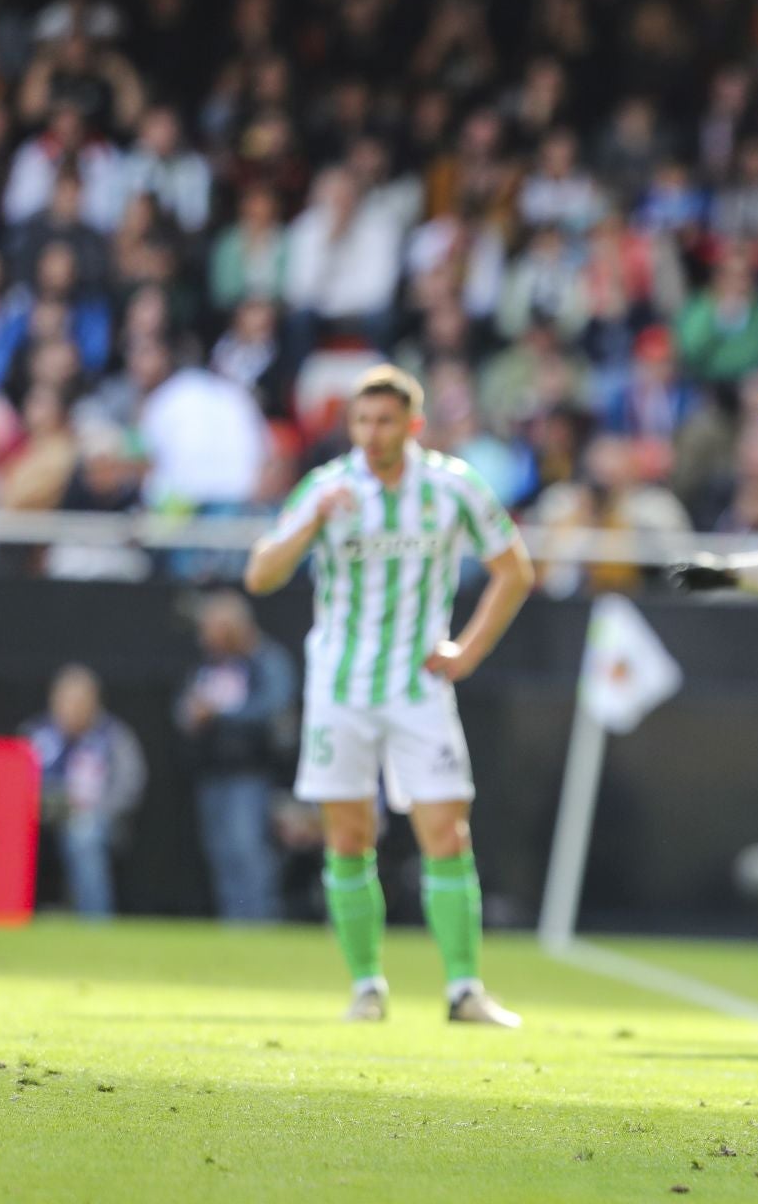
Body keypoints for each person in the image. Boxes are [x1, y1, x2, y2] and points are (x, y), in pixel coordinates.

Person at [244, 365, 536, 1026]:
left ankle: (464, 989)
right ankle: (366, 987)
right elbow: (260, 574)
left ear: (413, 425)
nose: (372, 433)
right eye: (361, 421)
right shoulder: (327, 488)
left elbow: (514, 569)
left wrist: (469, 649)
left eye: (384, 421)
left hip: (417, 687)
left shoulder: (452, 487)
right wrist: (309, 523)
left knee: (446, 829)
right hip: (340, 688)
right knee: (348, 837)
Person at [177, 591, 298, 923]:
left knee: (249, 853)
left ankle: (260, 924)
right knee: (223, 856)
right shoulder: (210, 664)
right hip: (211, 773)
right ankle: (235, 926)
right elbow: (186, 707)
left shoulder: (267, 661)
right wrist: (193, 714)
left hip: (251, 774)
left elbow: (275, 709)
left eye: (214, 628)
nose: (206, 636)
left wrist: (220, 714)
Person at [25, 664, 148, 918]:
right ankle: (4, 915)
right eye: (64, 700)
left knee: (84, 833)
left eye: (78, 701)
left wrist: (97, 810)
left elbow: (129, 785)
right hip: (40, 817)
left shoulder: (113, 737)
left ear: (94, 702)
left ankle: (94, 923)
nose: (70, 708)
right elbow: (14, 781)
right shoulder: (36, 735)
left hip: (95, 817)